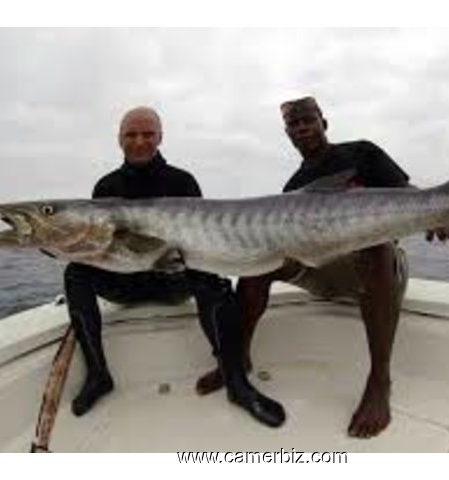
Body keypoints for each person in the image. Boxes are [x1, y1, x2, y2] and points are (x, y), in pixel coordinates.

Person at [195, 97, 410, 438]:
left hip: (380, 267)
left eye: (308, 120)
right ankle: (238, 359)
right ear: (288, 134)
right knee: (257, 263)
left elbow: (406, 194)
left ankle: (379, 380)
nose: (302, 128)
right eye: (294, 125)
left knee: (375, 247)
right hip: (323, 268)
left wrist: (438, 217)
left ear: (325, 122)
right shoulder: (293, 189)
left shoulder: (362, 154)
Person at [64, 106, 285, 428]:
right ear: (119, 139)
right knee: (75, 274)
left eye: (148, 134)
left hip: (173, 282)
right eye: (131, 134)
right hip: (125, 283)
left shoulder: (182, 181)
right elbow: (100, 246)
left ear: (160, 137)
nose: (140, 141)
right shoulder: (105, 187)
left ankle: (236, 382)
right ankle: (98, 375)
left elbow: (201, 241)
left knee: (213, 281)